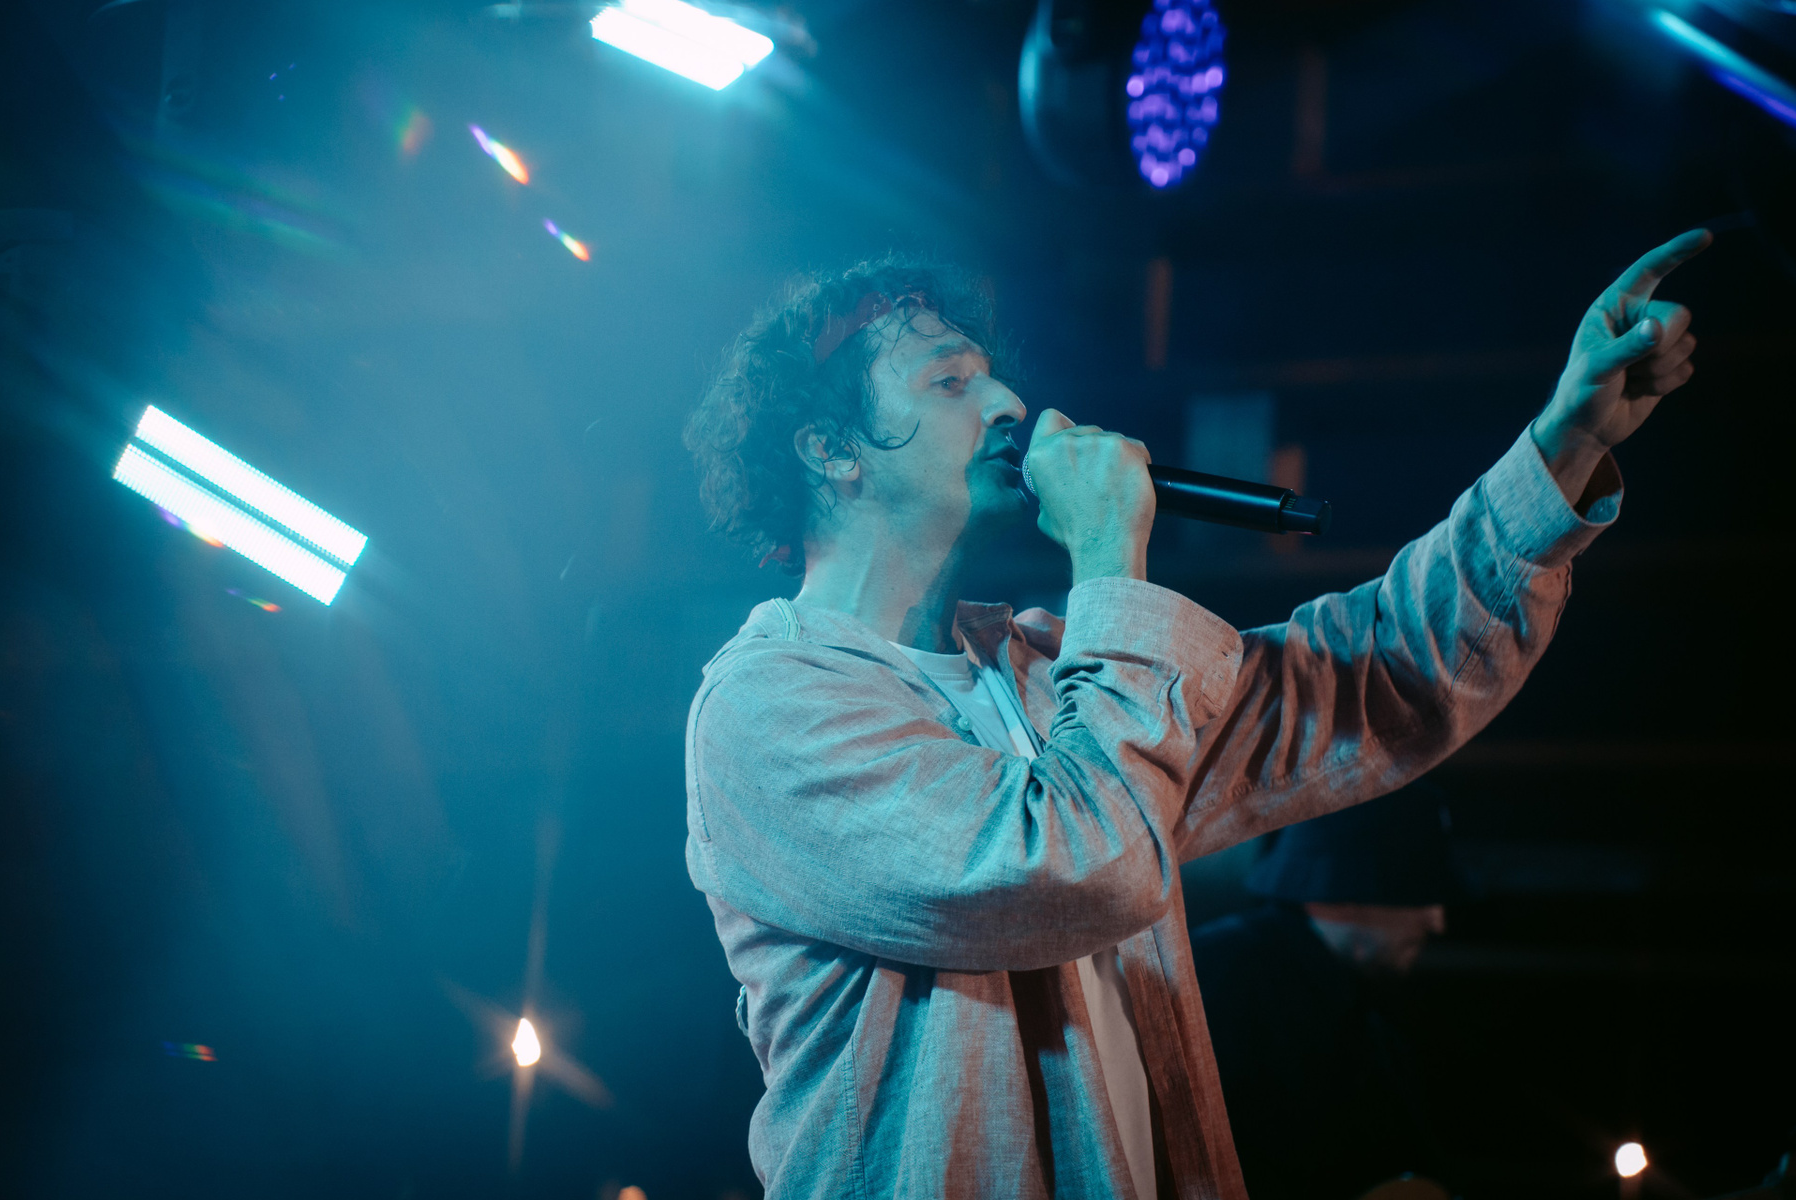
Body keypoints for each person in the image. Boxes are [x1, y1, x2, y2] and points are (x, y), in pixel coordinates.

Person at [680, 231, 1709, 1200]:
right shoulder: (769, 704)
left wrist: (1562, 446)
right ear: (832, 450)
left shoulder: (1044, 673)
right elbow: (1070, 862)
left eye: (992, 373)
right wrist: (1106, 557)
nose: (1010, 402)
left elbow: (1359, 680)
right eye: (951, 381)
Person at [1191, 781, 1462, 1200]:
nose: (1436, 921)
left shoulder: (1361, 1003)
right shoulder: (1224, 981)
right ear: (1341, 891)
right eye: (1415, 894)